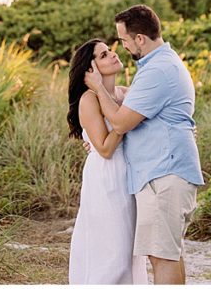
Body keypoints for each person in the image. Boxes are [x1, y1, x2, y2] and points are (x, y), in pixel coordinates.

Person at [85, 4, 204, 285]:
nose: (122, 47)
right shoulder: (158, 66)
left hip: (164, 173)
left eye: (124, 40)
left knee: (162, 256)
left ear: (139, 39)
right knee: (167, 255)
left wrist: (98, 88)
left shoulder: (158, 71)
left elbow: (123, 122)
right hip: (161, 173)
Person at [66, 38, 148, 284]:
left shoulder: (127, 93)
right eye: (103, 55)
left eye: (110, 50)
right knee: (112, 248)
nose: (113, 54)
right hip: (106, 176)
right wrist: (125, 123)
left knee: (131, 249)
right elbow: (104, 149)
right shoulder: (89, 99)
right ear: (90, 71)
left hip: (131, 174)